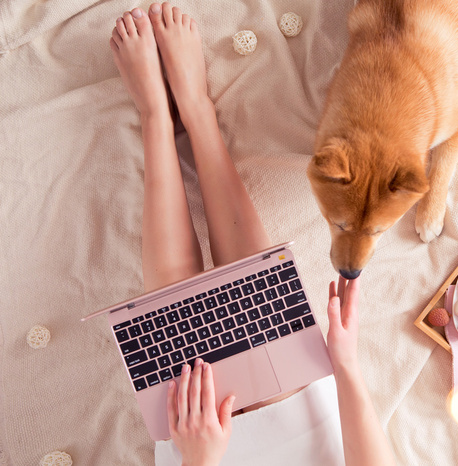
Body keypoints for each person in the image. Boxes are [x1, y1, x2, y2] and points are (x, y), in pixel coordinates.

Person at [109, 3, 396, 465]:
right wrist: (344, 362)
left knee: (181, 350)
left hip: (207, 454)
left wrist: (199, 459)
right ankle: (197, 111)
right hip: (309, 434)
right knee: (261, 316)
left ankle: (156, 118)